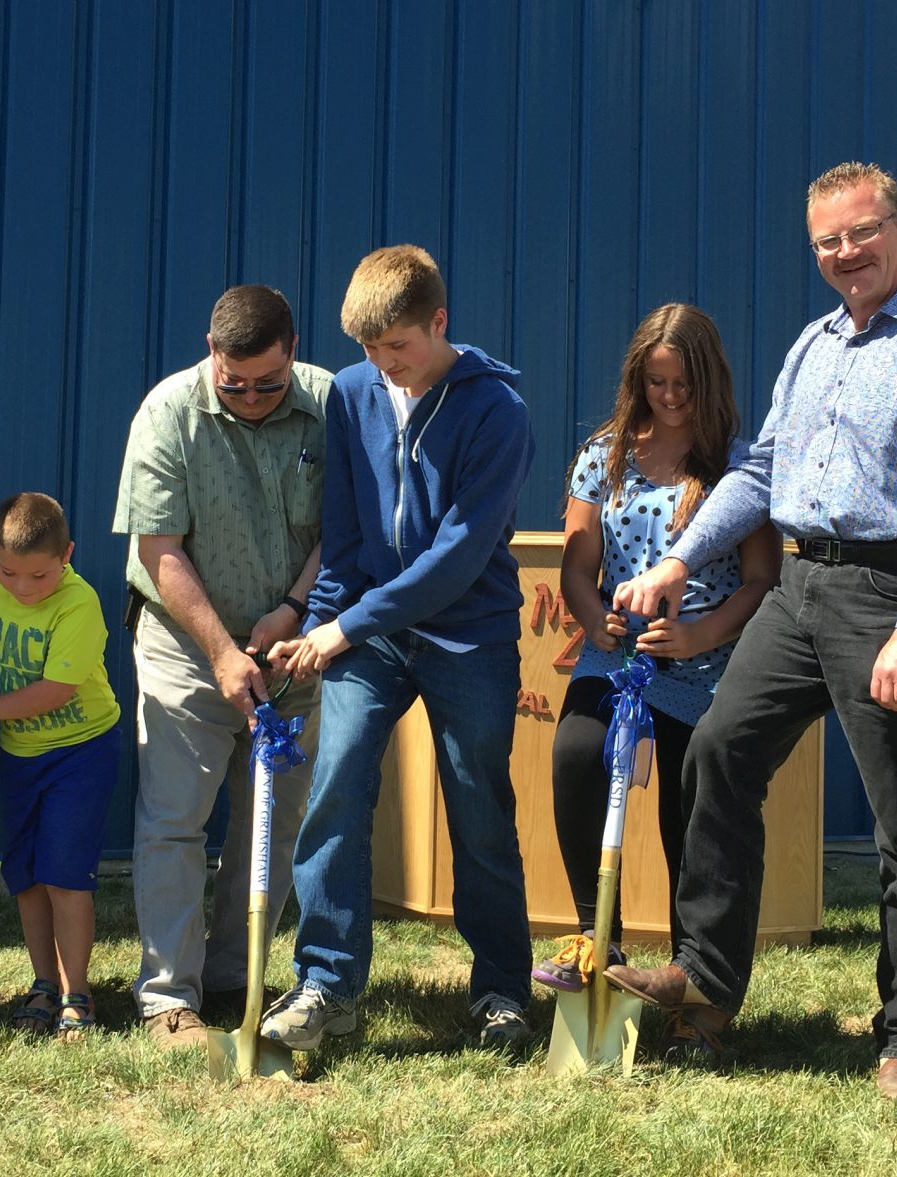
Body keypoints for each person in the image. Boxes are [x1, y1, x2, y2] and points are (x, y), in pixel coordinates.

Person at [604, 162, 897, 1105]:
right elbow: (760, 474)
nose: (845, 254)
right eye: (827, 242)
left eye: (861, 233)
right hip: (798, 584)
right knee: (718, 749)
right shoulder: (816, 344)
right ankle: (707, 980)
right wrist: (678, 558)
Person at [262, 244, 537, 1051]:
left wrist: (346, 625)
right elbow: (342, 533)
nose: (387, 368)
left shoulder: (498, 412)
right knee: (337, 785)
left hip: (469, 633)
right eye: (372, 353)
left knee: (478, 805)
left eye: (400, 350)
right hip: (367, 635)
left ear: (439, 322)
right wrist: (324, 621)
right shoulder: (351, 394)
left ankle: (500, 993)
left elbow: (457, 556)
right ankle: (327, 983)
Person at [531, 304, 780, 1047]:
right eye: (657, 381)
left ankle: (688, 976)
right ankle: (593, 937)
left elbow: (761, 577)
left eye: (684, 383)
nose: (670, 396)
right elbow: (578, 562)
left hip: (703, 660)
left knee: (688, 806)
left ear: (711, 382)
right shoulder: (604, 455)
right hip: (618, 651)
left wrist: (701, 630)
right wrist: (592, 612)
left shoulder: (737, 465)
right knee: (577, 753)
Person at [112, 285, 333, 1048]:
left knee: (275, 815)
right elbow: (158, 549)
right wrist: (219, 650)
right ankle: (168, 997)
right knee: (175, 816)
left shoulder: (332, 405)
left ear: (293, 350)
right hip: (185, 639)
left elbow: (350, 528)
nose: (247, 397)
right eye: (231, 382)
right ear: (211, 350)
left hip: (297, 644)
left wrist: (296, 610)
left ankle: (236, 976)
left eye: (267, 384)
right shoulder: (167, 412)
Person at [0, 492, 121, 1039]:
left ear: (67, 554)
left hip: (81, 751)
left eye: (39, 577)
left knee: (65, 876)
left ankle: (77, 993)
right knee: (25, 877)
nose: (22, 588)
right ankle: (43, 983)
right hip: (20, 756)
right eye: (9, 572)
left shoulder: (79, 604)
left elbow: (55, 689)